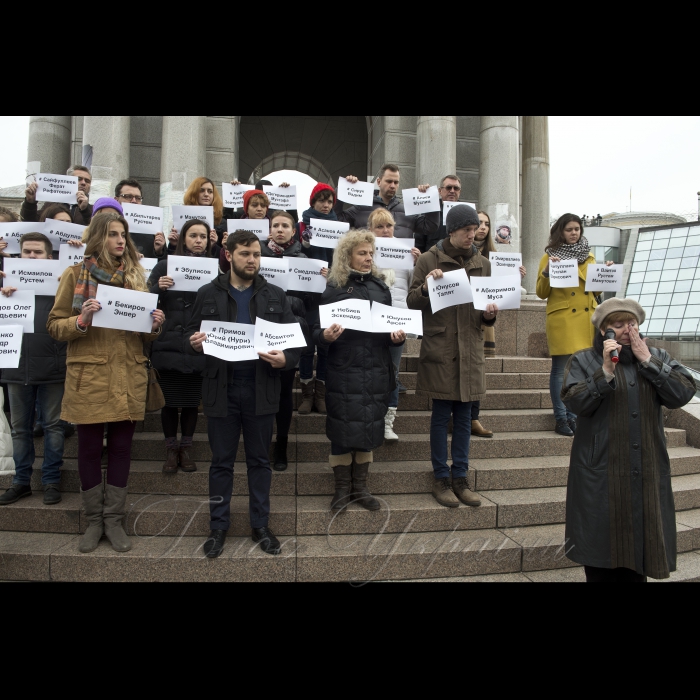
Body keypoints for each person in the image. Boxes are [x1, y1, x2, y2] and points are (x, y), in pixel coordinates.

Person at [47, 212, 165, 554]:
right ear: (98, 237)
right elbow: (54, 326)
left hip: (128, 373)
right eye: (113, 234)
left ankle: (114, 520)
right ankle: (93, 520)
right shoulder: (74, 274)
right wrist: (81, 319)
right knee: (87, 449)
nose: (120, 241)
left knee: (121, 449)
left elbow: (145, 335)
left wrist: (155, 324)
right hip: (90, 376)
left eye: (124, 235)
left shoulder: (135, 277)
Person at [562, 298, 696, 582]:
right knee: (601, 554)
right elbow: (574, 403)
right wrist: (604, 374)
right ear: (603, 331)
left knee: (640, 553)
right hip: (600, 471)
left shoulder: (656, 355)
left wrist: (648, 361)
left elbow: (683, 393)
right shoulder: (584, 359)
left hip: (645, 468)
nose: (626, 329)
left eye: (631, 323)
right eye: (618, 324)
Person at [187, 230, 303, 559]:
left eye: (256, 254)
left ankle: (260, 525)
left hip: (261, 387)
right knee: (221, 463)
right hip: (221, 388)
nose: (252, 260)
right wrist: (194, 344)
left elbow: (294, 343)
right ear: (228, 255)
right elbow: (188, 336)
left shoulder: (275, 295)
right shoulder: (207, 292)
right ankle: (218, 527)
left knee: (259, 462)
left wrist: (286, 360)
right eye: (245, 254)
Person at [407, 205, 497, 509]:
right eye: (466, 231)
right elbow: (411, 301)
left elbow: (485, 312)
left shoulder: (483, 263)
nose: (473, 235)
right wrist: (429, 287)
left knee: (465, 418)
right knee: (440, 416)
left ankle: (461, 478)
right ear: (451, 231)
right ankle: (440, 479)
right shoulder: (430, 259)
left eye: (475, 230)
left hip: (470, 349)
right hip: (441, 348)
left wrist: (489, 315)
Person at [314, 229, 405, 513]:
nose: (368, 258)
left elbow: (388, 327)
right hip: (344, 369)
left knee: (369, 426)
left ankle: (361, 488)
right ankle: (341, 489)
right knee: (342, 429)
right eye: (362, 253)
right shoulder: (334, 287)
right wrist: (325, 337)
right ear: (348, 256)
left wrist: (396, 336)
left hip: (376, 368)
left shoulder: (381, 288)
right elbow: (315, 331)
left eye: (370, 253)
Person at [0, 233, 67, 507]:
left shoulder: (62, 285)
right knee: (20, 430)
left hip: (52, 367)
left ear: (49, 257)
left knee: (53, 427)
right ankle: (21, 482)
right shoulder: (7, 285)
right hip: (16, 367)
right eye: (27, 252)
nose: (31, 256)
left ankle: (51, 480)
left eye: (38, 252)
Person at [536, 214, 612, 437]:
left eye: (577, 229)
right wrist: (549, 271)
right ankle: (561, 417)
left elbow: (596, 291)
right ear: (560, 231)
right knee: (560, 371)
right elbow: (541, 293)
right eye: (569, 229)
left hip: (586, 319)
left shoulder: (589, 256)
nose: (574, 233)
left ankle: (575, 415)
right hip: (564, 320)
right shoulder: (549, 256)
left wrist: (605, 270)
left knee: (583, 371)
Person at [148, 219, 211, 474]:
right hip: (167, 345)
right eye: (193, 235)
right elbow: (143, 300)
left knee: (190, 401)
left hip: (197, 345)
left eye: (203, 236)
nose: (198, 240)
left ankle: (186, 448)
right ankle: (170, 449)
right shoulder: (164, 265)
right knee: (170, 402)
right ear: (183, 238)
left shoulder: (212, 270)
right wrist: (157, 288)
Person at [261, 211, 312, 471]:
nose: (280, 229)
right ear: (269, 230)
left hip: (290, 333)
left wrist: (320, 279)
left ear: (294, 231)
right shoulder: (256, 256)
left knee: (283, 394)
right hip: (261, 331)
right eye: (276, 225)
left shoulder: (304, 260)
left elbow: (310, 301)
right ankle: (260, 441)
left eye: (285, 226)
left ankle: (281, 442)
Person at [470, 210, 527, 439]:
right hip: (462, 314)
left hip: (484, 316)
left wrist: (516, 278)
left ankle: (473, 418)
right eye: (478, 223)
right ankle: (459, 417)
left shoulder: (495, 255)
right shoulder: (458, 254)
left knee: (478, 370)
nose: (482, 227)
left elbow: (500, 291)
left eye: (486, 223)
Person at [367, 208, 420, 443]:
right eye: (379, 226)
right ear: (371, 229)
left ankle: (388, 422)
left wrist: (417, 263)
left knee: (393, 372)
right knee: (369, 370)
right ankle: (371, 418)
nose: (385, 230)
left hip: (398, 319)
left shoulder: (405, 250)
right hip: (371, 319)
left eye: (389, 226)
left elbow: (414, 285)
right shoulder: (364, 250)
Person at [297, 183, 335, 414]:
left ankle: (320, 393)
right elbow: (299, 252)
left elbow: (344, 259)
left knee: (325, 347)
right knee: (306, 348)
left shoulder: (338, 227)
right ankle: (306, 393)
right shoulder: (303, 225)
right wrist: (306, 241)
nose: (325, 205)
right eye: (321, 200)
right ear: (313, 202)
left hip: (329, 296)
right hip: (307, 297)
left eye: (329, 201)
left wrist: (335, 274)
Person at [337, 165, 439, 248]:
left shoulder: (406, 210)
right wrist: (342, 189)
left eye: (396, 182)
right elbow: (337, 219)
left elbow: (430, 226)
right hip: (368, 269)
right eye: (389, 181)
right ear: (379, 182)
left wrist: (429, 198)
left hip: (398, 269)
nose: (393, 186)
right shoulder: (361, 208)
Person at [168, 178, 225, 257]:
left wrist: (213, 246)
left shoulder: (221, 222)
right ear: (194, 193)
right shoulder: (181, 218)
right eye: (202, 190)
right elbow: (172, 257)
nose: (206, 194)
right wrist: (173, 245)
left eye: (210, 191)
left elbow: (224, 258)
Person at [219, 189, 271, 274]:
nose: (259, 209)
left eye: (263, 206)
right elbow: (225, 268)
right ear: (246, 208)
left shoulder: (274, 230)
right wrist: (226, 248)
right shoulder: (235, 229)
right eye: (254, 205)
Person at [22, 165, 94, 226]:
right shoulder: (51, 205)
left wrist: (85, 210)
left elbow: (95, 229)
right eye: (79, 179)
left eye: (87, 181)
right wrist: (30, 203)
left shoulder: (92, 210)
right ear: (67, 180)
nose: (83, 183)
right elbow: (31, 223)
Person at [114, 178, 166, 259]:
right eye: (128, 196)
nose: (134, 201)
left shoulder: (153, 225)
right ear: (116, 200)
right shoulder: (109, 224)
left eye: (138, 198)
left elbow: (162, 264)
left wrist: (159, 252)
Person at [422, 174, 463, 253]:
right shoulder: (430, 211)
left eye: (456, 188)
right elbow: (419, 239)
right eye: (448, 187)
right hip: (432, 260)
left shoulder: (466, 212)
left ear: (459, 192)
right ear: (440, 191)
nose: (452, 191)